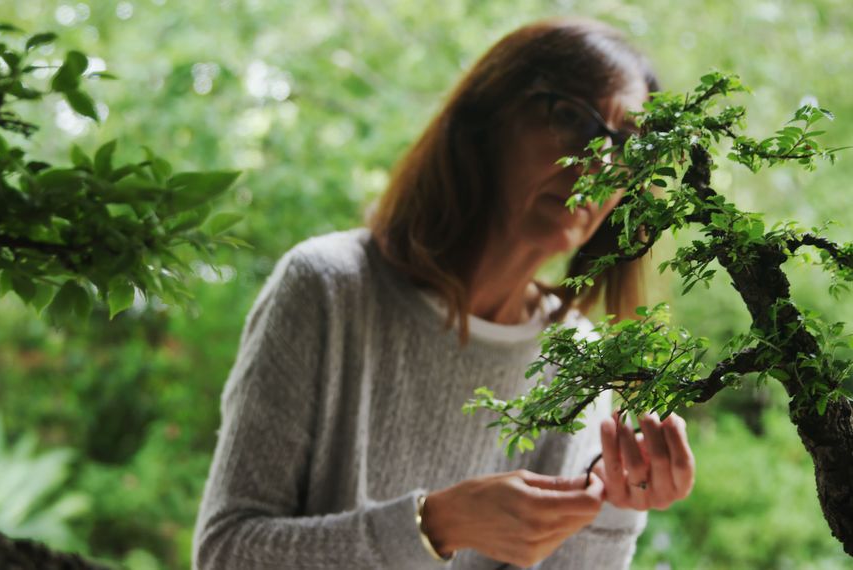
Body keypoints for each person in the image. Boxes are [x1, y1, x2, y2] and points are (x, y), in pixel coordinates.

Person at [193, 17, 695, 570]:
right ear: (488, 118)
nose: (598, 161)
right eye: (573, 117)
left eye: (626, 145)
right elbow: (226, 553)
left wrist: (616, 506)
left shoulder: (577, 360)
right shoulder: (327, 289)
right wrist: (434, 526)